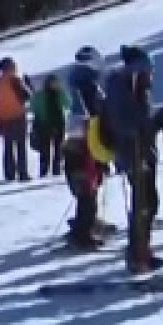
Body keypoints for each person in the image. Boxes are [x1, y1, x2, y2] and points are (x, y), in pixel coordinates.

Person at [103, 45, 163, 272]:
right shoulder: (122, 87)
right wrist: (151, 123)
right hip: (133, 152)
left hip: (144, 150)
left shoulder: (139, 87)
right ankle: (137, 255)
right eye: (148, 69)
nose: (152, 74)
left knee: (149, 202)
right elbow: (125, 122)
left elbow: (142, 119)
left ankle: (142, 251)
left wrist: (157, 121)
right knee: (143, 203)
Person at [61, 81, 107, 251]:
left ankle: (83, 231)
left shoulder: (79, 120)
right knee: (87, 201)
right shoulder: (82, 124)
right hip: (82, 167)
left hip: (84, 166)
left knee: (88, 200)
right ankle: (82, 235)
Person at [0, 57, 32, 182]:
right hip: (18, 116)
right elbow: (26, 96)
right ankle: (23, 173)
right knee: (21, 146)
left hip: (4, 118)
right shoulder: (15, 80)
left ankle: (9, 174)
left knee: (8, 147)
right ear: (11, 67)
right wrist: (28, 86)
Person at [31, 73, 69, 177]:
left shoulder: (39, 94)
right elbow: (68, 104)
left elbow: (33, 108)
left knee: (48, 149)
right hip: (55, 124)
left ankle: (46, 170)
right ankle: (55, 170)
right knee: (56, 148)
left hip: (45, 124)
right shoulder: (58, 93)